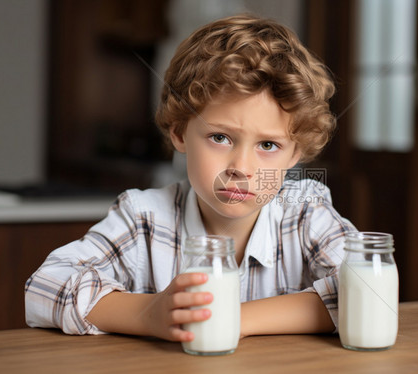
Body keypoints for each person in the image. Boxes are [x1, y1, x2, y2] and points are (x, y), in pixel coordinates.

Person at [25, 14, 357, 342]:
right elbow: (45, 286)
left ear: (295, 155)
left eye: (268, 145)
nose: (241, 167)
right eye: (220, 137)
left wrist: (234, 319)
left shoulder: (305, 212)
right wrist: (147, 314)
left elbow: (364, 289)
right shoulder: (144, 218)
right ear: (180, 132)